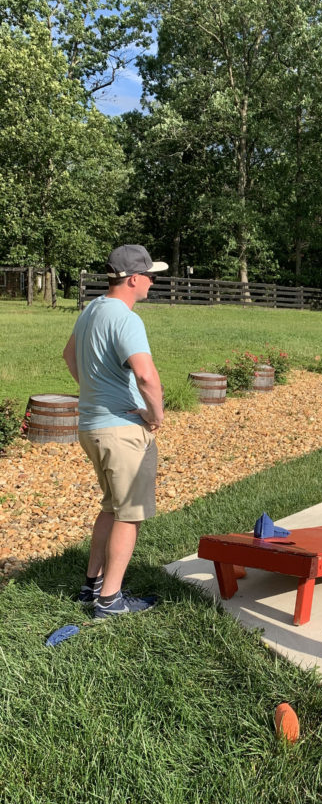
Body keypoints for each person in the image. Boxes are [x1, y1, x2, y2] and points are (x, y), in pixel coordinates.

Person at [63, 244, 167, 618]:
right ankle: (109, 600)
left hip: (91, 426)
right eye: (150, 275)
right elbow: (145, 375)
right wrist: (155, 414)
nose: (153, 282)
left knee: (111, 506)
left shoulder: (92, 309)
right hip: (121, 431)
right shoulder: (126, 318)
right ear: (133, 278)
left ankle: (92, 585)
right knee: (129, 514)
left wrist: (94, 393)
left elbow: (69, 356)